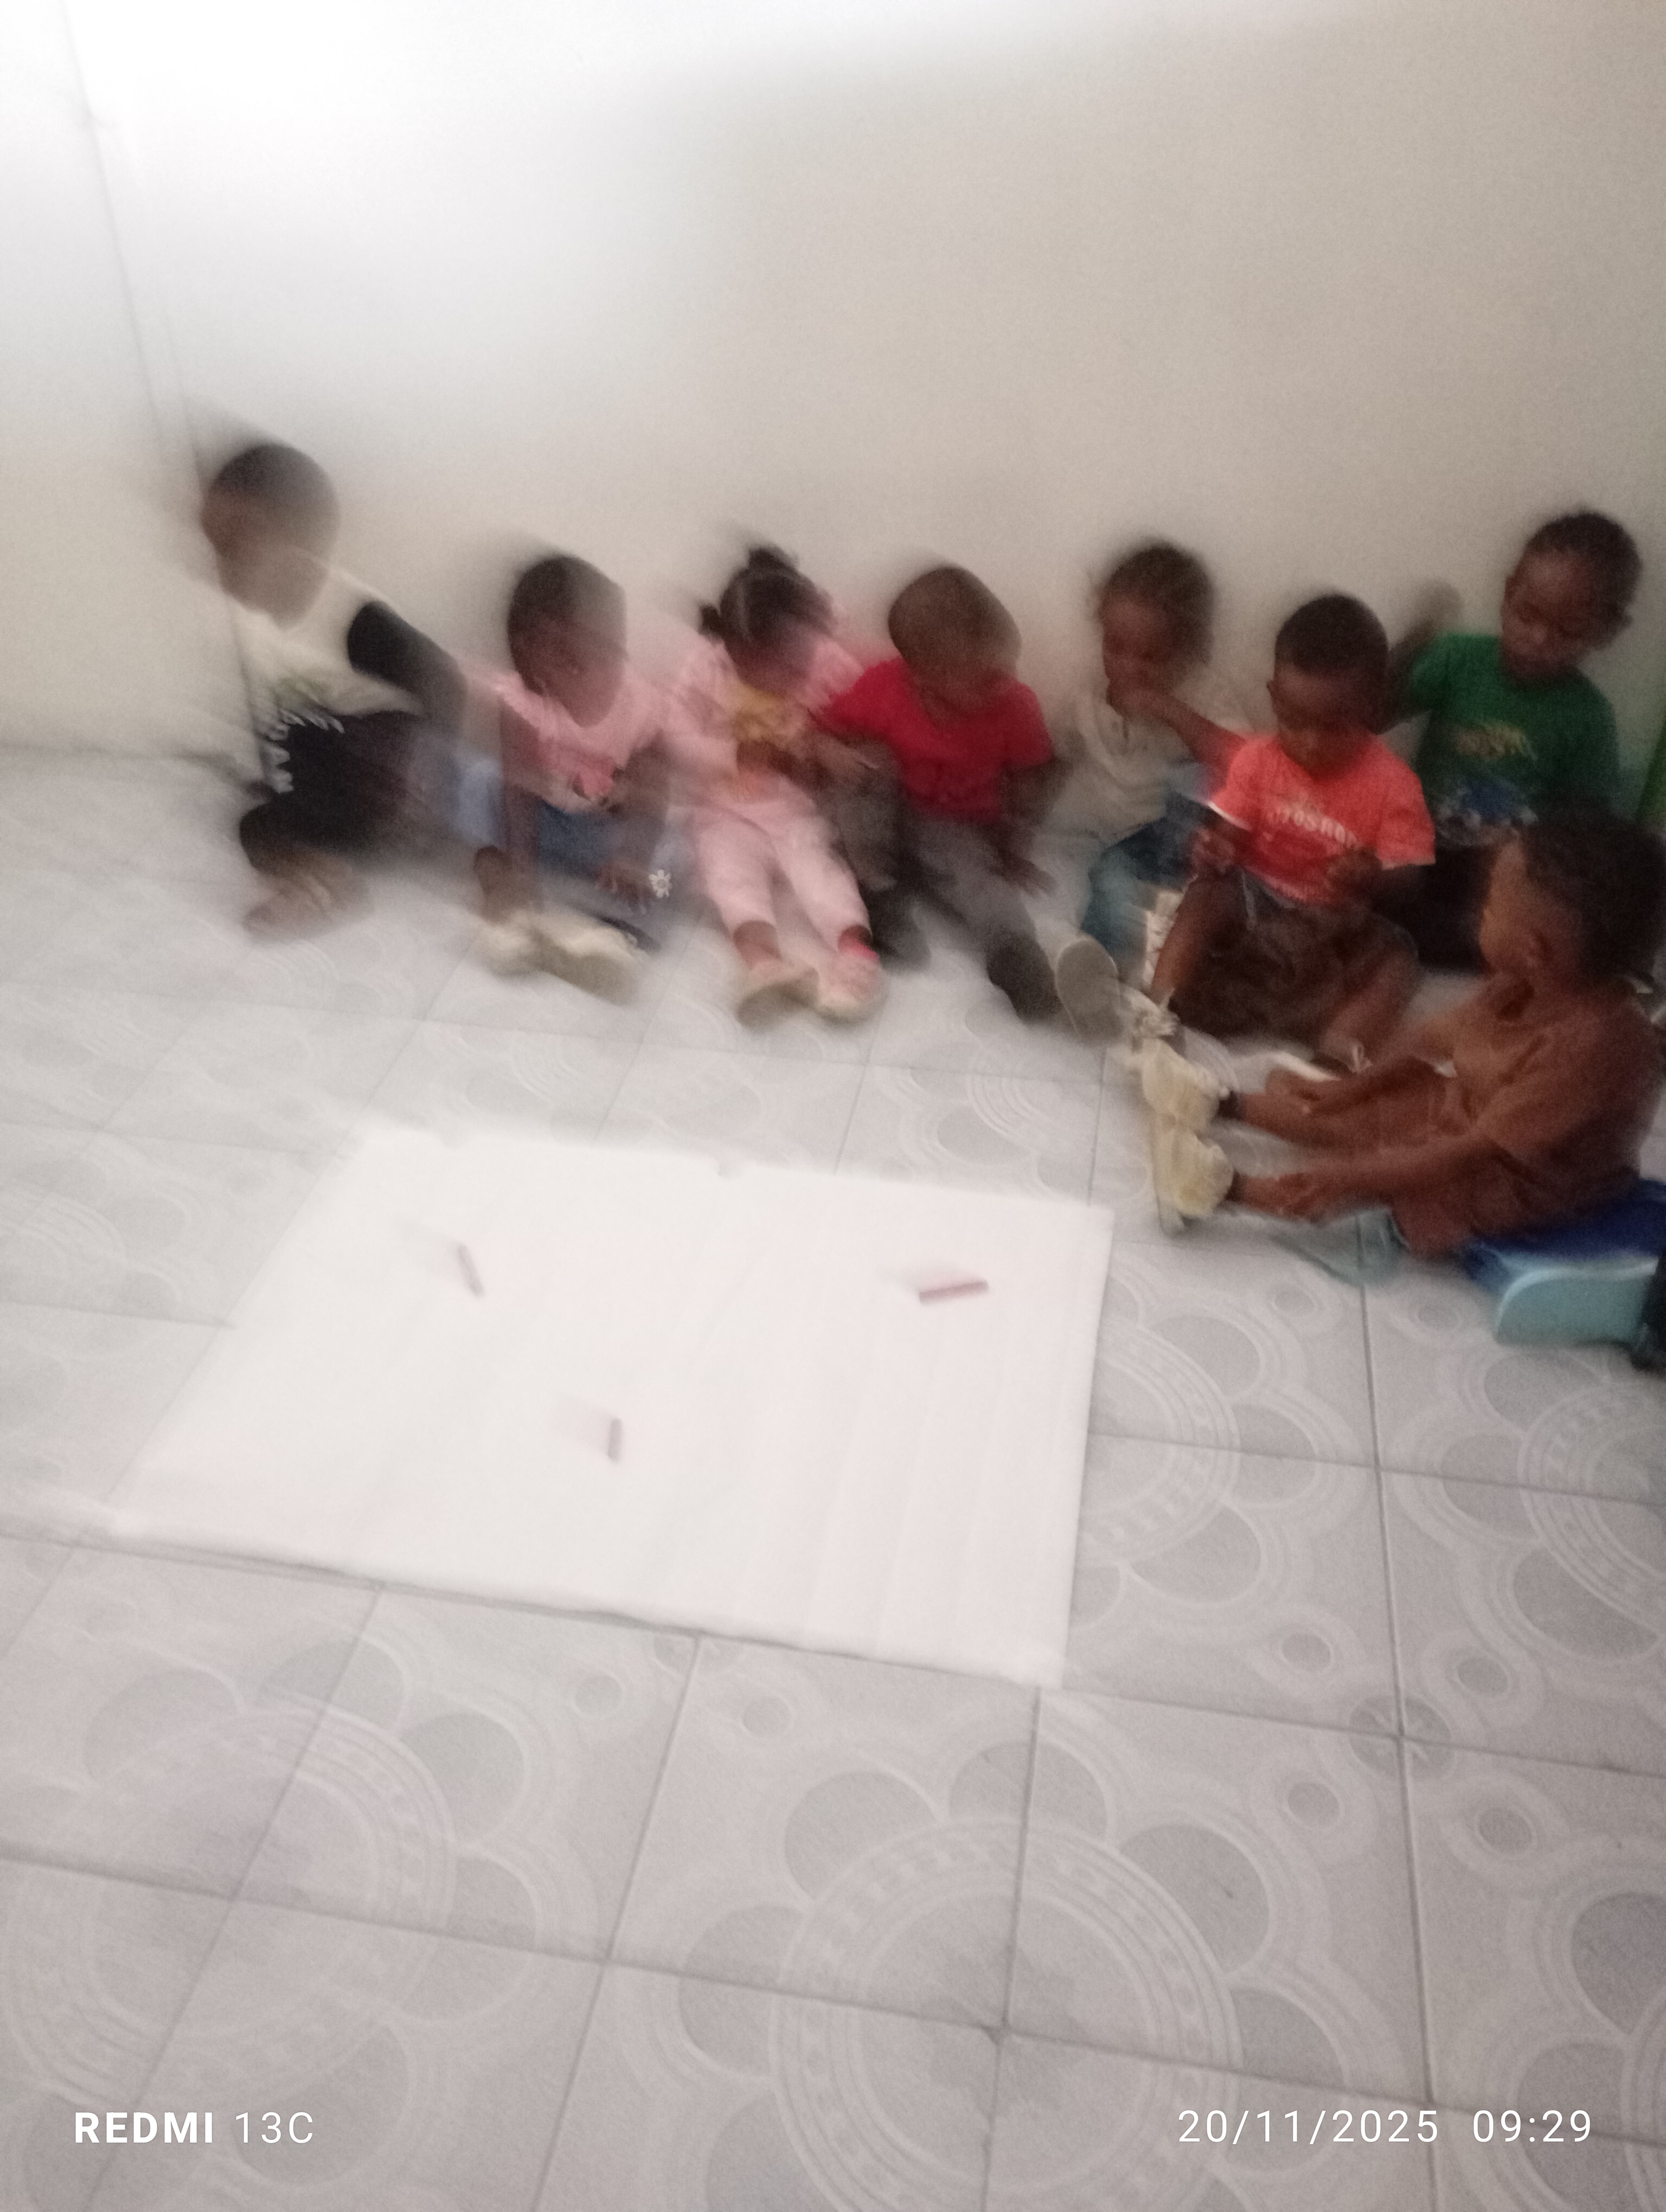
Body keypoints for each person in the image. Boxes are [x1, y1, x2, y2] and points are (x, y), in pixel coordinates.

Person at [1144, 813, 1666, 1264]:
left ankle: (1217, 1190)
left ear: (1533, 949)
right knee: (1378, 1111)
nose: (1479, 911)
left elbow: (1464, 1155)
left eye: (1490, 904)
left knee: (1389, 1177)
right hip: (1475, 1116)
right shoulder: (1524, 982)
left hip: (1522, 1178)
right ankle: (1219, 1103)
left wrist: (1356, 1177)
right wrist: (1352, 1089)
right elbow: (1430, 1042)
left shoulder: (1593, 1049)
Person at [1135, 594, 1434, 1068]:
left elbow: (1411, 877)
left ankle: (1334, 1056)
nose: (1310, 744)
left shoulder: (1394, 785)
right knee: (1206, 895)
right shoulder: (1257, 760)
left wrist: (1372, 874)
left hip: (1334, 924)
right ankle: (1158, 1012)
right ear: (1275, 698)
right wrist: (1216, 848)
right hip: (1259, 902)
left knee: (1401, 962)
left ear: (1372, 709)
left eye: (1334, 728)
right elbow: (1229, 833)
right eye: (1293, 722)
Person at [203, 442, 464, 934]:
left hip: (386, 780)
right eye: (216, 549)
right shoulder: (257, 623)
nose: (222, 568)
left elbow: (444, 681)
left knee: (297, 728)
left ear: (302, 542)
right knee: (253, 825)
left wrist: (427, 785)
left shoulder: (353, 619)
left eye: (237, 546)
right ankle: (322, 878)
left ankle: (325, 879)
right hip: (336, 778)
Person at [1387, 509, 1640, 967]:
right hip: (1417, 844)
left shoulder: (1587, 716)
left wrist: (1528, 863)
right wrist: (1405, 656)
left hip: (1499, 874)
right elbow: (1371, 718)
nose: (1539, 639)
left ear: (1605, 632)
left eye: (1567, 632)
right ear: (1508, 595)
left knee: (1512, 935)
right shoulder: (1458, 659)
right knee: (1376, 889)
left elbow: (1584, 827)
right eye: (1527, 615)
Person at [818, 565, 1060, 1020]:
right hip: (884, 817)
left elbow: (1029, 778)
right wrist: (832, 753)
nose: (1005, 681)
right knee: (868, 764)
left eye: (1007, 666)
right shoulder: (883, 688)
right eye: (986, 678)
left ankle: (1016, 958)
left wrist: (1016, 842)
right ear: (924, 677)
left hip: (955, 829)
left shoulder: (1015, 706)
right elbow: (822, 730)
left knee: (981, 884)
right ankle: (879, 896)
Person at [671, 548, 885, 1025]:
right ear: (730, 650)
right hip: (726, 809)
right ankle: (764, 965)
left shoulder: (826, 659)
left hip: (799, 810)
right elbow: (677, 734)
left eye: (793, 665)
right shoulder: (706, 666)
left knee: (822, 878)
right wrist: (731, 754)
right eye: (758, 668)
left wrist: (831, 750)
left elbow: (864, 720)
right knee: (729, 878)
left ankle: (856, 956)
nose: (781, 679)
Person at [454, 554, 677, 996]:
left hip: (603, 837)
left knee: (674, 863)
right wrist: (521, 866)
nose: (598, 675)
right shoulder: (523, 705)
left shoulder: (641, 707)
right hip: (540, 824)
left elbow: (652, 794)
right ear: (533, 661)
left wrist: (633, 857)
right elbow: (517, 786)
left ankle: (605, 931)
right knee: (478, 778)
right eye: (573, 662)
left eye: (611, 653)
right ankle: (505, 896)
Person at [1052, 539, 1251, 1030]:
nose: (1129, 668)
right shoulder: (1088, 695)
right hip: (1129, 845)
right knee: (1108, 877)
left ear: (1186, 651)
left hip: (1188, 839)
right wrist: (1012, 818)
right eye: (1115, 648)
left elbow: (1247, 765)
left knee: (1192, 779)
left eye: (1152, 657)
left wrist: (1169, 709)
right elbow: (1052, 759)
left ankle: (1151, 972)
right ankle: (1101, 975)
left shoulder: (1201, 690)